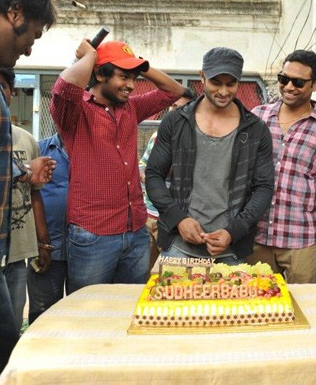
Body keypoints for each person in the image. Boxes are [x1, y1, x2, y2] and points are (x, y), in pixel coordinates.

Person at [50, 39, 184, 294]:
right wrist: (89, 56)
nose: (131, 85)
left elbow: (174, 91)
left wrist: (138, 66)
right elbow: (64, 88)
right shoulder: (76, 112)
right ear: (100, 74)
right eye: (124, 77)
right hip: (93, 233)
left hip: (135, 229)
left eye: (133, 78)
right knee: (87, 308)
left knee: (129, 306)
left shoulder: (131, 107)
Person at [0, 0, 55, 382]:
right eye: (34, 35)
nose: (30, 48)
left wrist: (22, 172)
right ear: (14, 12)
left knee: (6, 353)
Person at [146, 47, 274, 264]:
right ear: (202, 76)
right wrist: (179, 219)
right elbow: (153, 175)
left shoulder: (255, 130)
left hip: (231, 250)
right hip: (178, 245)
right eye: (216, 82)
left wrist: (234, 231)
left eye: (231, 84)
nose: (223, 91)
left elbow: (264, 187)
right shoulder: (176, 122)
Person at [247, 50, 316, 283]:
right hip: (256, 236)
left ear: (315, 84)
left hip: (302, 240)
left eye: (298, 82)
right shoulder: (257, 117)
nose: (289, 87)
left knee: (305, 303)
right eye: (284, 79)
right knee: (256, 302)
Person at [0, 68, 53, 333]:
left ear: (12, 92)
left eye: (2, 85)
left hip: (17, 252)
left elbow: (35, 193)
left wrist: (43, 242)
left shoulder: (26, 140)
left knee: (11, 326)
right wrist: (26, 169)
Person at [139, 88, 197, 270]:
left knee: (170, 274)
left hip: (175, 221)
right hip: (149, 215)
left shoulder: (197, 140)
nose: (174, 111)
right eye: (173, 106)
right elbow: (143, 164)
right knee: (143, 273)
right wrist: (147, 175)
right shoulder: (158, 136)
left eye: (181, 107)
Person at [27, 132, 69, 325]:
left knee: (81, 312)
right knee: (43, 314)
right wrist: (40, 242)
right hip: (46, 247)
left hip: (87, 249)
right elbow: (29, 194)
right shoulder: (40, 150)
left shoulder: (94, 152)